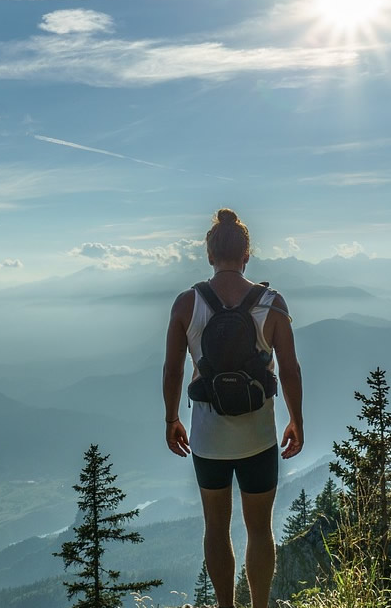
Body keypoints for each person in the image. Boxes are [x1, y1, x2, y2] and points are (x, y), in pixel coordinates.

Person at [163, 208, 304, 608]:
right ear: (247, 255)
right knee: (259, 530)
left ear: (209, 255)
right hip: (258, 435)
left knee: (216, 528)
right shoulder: (272, 303)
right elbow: (290, 370)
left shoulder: (187, 303)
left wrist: (172, 418)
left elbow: (173, 369)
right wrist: (296, 419)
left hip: (208, 438)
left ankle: (226, 606)